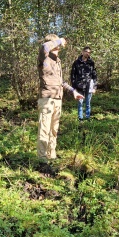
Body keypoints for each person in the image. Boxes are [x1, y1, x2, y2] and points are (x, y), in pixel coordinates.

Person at [37, 34, 83, 168]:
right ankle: (42, 159)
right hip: (46, 99)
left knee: (54, 130)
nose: (59, 48)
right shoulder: (44, 57)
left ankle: (52, 155)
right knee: (44, 130)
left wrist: (73, 91)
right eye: (56, 46)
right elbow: (44, 46)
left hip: (57, 99)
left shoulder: (57, 61)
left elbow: (60, 81)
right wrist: (59, 40)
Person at [70, 46, 97, 121]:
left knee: (88, 103)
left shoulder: (91, 63)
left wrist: (94, 87)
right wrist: (74, 88)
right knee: (80, 103)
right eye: (86, 52)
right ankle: (80, 118)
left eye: (89, 52)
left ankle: (88, 117)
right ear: (82, 52)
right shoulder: (76, 63)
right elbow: (72, 76)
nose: (87, 53)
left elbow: (94, 75)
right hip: (79, 86)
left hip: (89, 85)